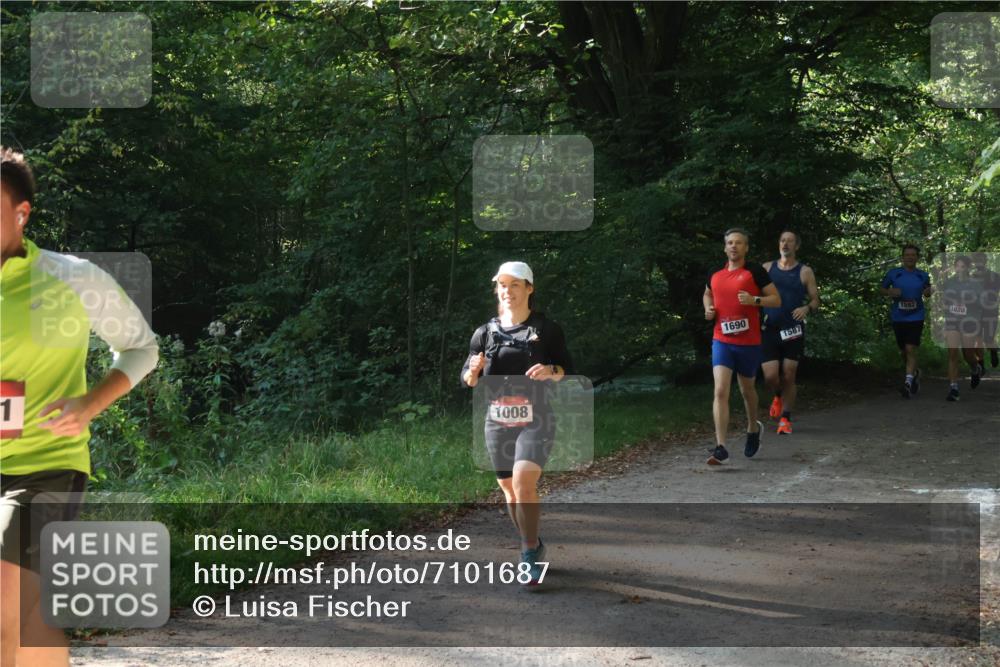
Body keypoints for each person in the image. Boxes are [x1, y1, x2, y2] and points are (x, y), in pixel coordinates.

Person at [1, 147, 159, 667]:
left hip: (43, 467)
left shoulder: (71, 278)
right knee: (30, 621)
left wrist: (91, 402)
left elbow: (141, 347)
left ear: (21, 213)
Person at [461, 261, 572, 586]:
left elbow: (568, 369)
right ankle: (533, 542)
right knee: (510, 491)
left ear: (529, 289)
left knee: (523, 482)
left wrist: (552, 371)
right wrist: (474, 370)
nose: (507, 291)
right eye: (502, 285)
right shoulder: (484, 333)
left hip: (536, 417)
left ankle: (527, 555)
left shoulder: (547, 329)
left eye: (515, 285)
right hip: (497, 421)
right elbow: (467, 379)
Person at [703, 228, 781, 465]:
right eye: (729, 243)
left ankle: (752, 428)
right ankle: (721, 447)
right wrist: (708, 308)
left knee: (747, 390)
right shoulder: (715, 275)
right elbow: (707, 294)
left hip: (748, 342)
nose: (733, 246)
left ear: (746, 247)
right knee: (720, 390)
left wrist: (754, 300)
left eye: (738, 243)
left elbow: (776, 300)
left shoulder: (755, 272)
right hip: (722, 341)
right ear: (725, 247)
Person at [761, 231, 819, 435]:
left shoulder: (805, 272)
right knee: (770, 377)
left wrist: (807, 308)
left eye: (790, 241)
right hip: (769, 329)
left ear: (797, 246)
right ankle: (777, 394)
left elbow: (815, 299)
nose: (785, 244)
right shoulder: (767, 268)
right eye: (782, 240)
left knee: (789, 374)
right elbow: (752, 293)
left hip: (793, 328)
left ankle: (785, 418)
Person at [880, 244, 932, 399]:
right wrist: (889, 291)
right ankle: (915, 373)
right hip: (898, 317)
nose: (910, 257)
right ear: (903, 257)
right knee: (904, 351)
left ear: (917, 257)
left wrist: (929, 291)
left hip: (916, 316)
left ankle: (907, 384)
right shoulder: (894, 274)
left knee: (910, 349)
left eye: (913, 255)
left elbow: (928, 291)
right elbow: (881, 289)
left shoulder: (922, 275)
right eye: (907, 255)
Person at [939, 255, 982, 401]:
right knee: (952, 353)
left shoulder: (976, 283)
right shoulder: (949, 282)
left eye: (963, 267)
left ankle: (975, 368)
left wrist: (966, 302)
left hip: (969, 321)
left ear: (968, 268)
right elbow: (943, 302)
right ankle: (953, 388)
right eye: (957, 266)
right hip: (952, 320)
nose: (960, 269)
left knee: (968, 354)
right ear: (954, 267)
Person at [970, 251, 999, 371]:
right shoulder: (970, 277)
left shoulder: (995, 276)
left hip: (990, 311)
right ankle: (980, 364)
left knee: (989, 338)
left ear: (986, 261)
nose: (979, 262)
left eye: (981, 260)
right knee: (977, 338)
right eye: (977, 260)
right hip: (975, 312)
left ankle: (993, 351)